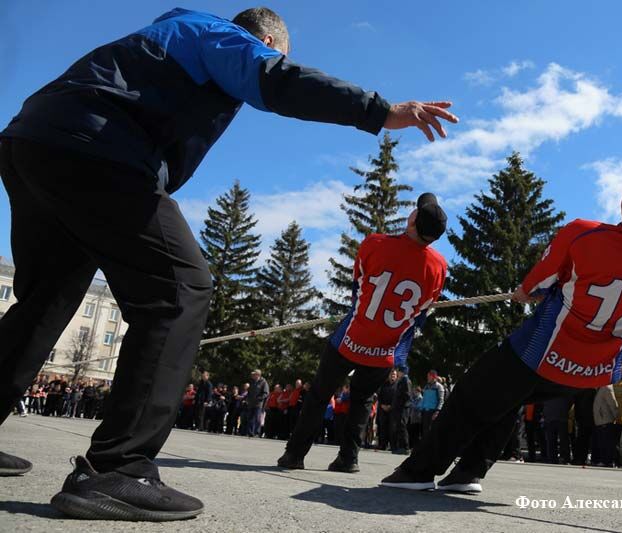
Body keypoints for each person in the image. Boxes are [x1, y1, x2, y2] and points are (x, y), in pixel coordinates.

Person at [0, 5, 457, 520]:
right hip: (99, 146)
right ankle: (117, 469)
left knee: (45, 299)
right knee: (180, 290)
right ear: (267, 40)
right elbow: (276, 79)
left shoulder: (167, 37)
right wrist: (380, 112)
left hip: (32, 141)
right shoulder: (220, 35)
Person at [380, 184, 622, 492]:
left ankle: (417, 472)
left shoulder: (585, 234)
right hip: (594, 369)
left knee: (469, 394)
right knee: (508, 397)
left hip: (544, 352)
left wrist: (525, 291)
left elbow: (534, 286)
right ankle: (468, 473)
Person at [277, 193, 447, 473]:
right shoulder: (439, 266)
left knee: (319, 395)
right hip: (386, 348)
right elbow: (422, 312)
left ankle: (295, 454)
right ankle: (349, 457)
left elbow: (358, 286)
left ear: (413, 221)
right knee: (363, 400)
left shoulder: (375, 243)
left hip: (352, 337)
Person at [592, 385, 619, 467]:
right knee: (602, 442)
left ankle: (608, 461)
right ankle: (604, 460)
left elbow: (613, 404)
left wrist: (615, 417)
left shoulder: (606, 388)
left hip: (606, 420)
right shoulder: (598, 387)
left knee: (607, 443)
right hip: (600, 420)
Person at [390, 365, 413, 454]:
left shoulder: (406, 380)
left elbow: (407, 396)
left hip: (403, 408)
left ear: (402, 372)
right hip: (399, 408)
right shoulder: (402, 380)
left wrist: (402, 406)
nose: (398, 373)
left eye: (399, 371)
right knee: (399, 427)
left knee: (402, 427)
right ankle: (401, 447)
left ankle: (405, 447)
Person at [376, 370, 398, 450]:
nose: (392, 376)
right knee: (382, 427)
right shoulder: (384, 385)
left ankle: (392, 446)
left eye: (394, 374)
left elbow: (397, 398)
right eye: (391, 374)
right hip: (383, 408)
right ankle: (382, 445)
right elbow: (379, 396)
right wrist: (382, 405)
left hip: (393, 410)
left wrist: (391, 406)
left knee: (392, 428)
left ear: (396, 376)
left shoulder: (398, 385)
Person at [420, 370, 445, 436]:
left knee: (432, 432)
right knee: (425, 432)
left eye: (429, 376)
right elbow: (424, 399)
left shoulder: (439, 387)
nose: (427, 377)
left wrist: (437, 411)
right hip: (425, 412)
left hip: (433, 413)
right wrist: (421, 408)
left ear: (434, 377)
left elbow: (441, 400)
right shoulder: (426, 386)